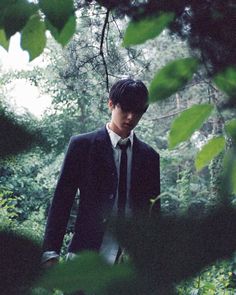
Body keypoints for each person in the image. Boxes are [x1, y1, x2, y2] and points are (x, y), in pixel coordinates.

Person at [41, 78, 160, 268]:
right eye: (125, 109)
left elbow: (153, 214)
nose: (131, 117)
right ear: (111, 104)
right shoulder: (82, 146)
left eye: (137, 112)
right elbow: (62, 201)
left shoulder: (149, 157)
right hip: (85, 255)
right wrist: (50, 251)